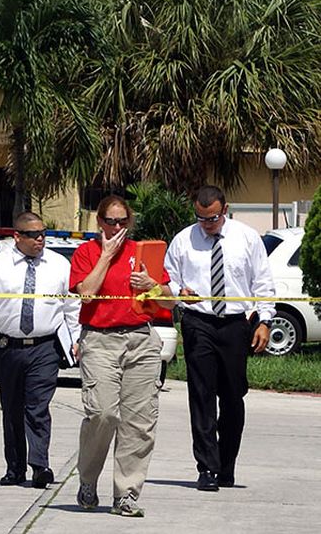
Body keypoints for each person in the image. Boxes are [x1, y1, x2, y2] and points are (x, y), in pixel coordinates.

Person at [69, 195, 175, 518]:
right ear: (99, 223)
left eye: (122, 222)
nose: (116, 228)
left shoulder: (142, 253)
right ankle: (88, 480)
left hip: (140, 339)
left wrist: (153, 285)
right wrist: (106, 256)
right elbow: (86, 291)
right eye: (110, 222)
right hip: (100, 339)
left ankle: (126, 493)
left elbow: (169, 303)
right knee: (102, 413)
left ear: (129, 222)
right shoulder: (86, 252)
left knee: (139, 422)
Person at [164, 185, 274, 491]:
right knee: (201, 396)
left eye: (212, 217)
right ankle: (207, 468)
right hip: (198, 321)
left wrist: (264, 321)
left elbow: (263, 282)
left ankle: (227, 465)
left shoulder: (247, 237)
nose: (207, 224)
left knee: (233, 396)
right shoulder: (184, 240)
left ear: (224, 210)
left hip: (235, 325)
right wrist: (178, 292)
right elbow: (167, 281)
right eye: (201, 218)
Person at [0, 212, 80, 489]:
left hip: (45, 348)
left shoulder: (59, 266)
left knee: (37, 407)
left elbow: (72, 307)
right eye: (33, 234)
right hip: (8, 347)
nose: (40, 239)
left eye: (43, 233)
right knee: (12, 409)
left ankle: (40, 465)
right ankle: (15, 468)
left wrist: (76, 338)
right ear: (17, 236)